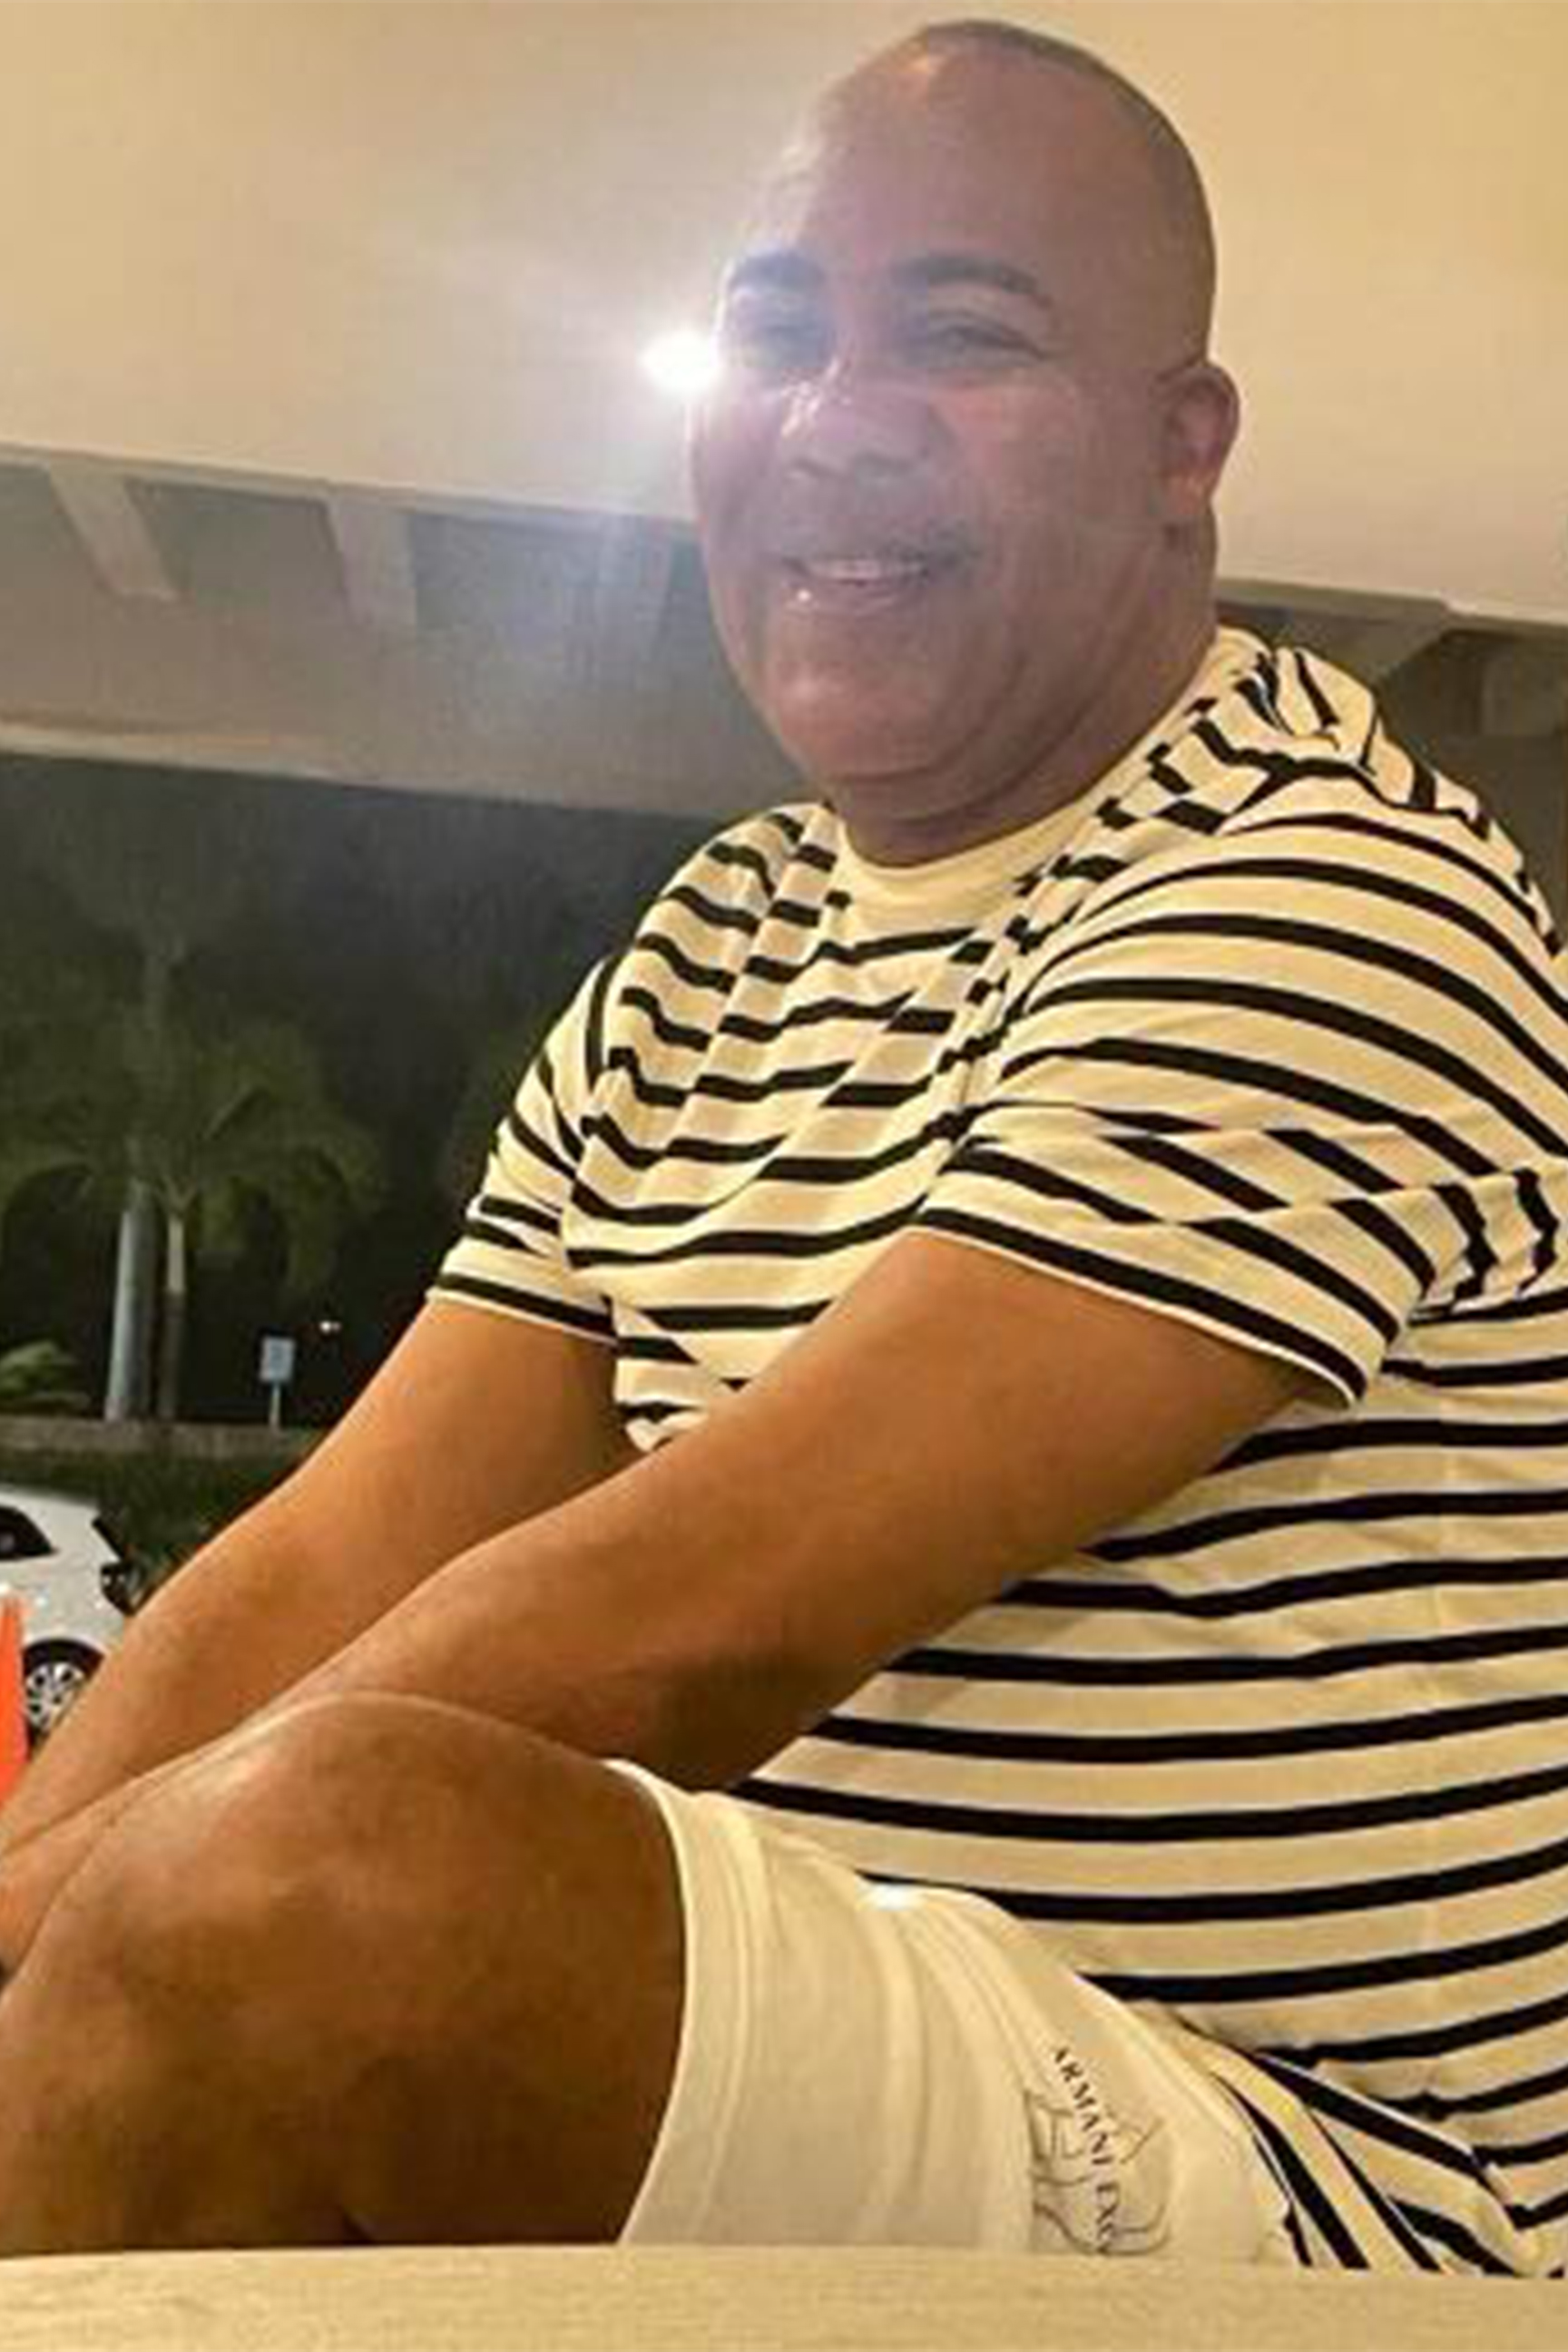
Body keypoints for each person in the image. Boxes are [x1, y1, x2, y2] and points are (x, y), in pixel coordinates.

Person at [1, 16, 1565, 2276]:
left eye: (965, 337)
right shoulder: (719, 937)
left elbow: (700, 1620)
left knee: (322, 1876)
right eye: (775, 334)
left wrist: (101, 1917)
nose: (837, 421)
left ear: (1181, 447)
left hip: (1323, 2183)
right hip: (866, 2044)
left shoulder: (1324, 886)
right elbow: (336, 1550)